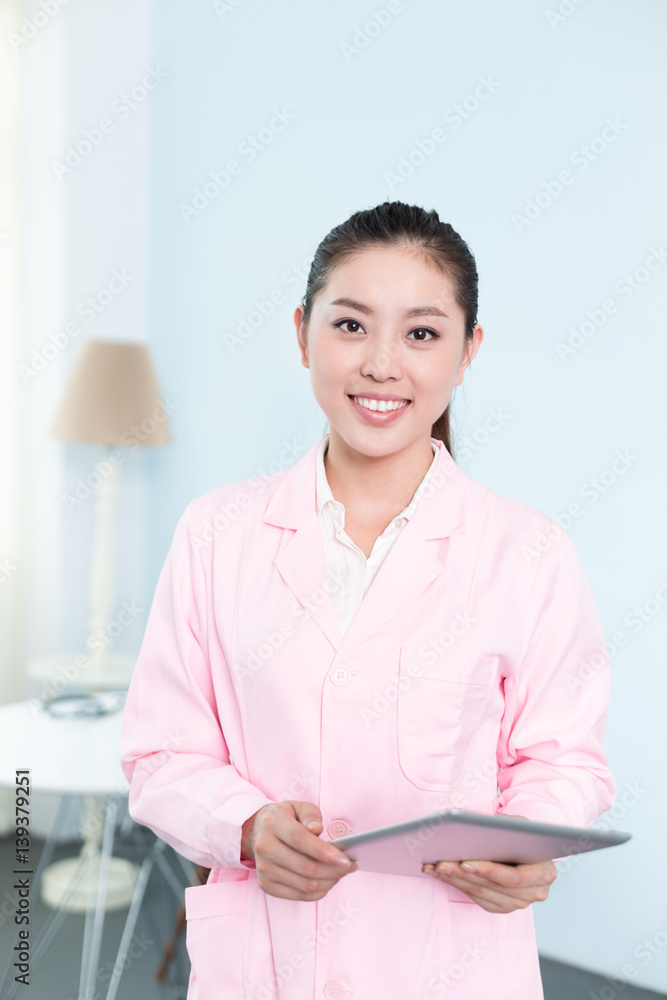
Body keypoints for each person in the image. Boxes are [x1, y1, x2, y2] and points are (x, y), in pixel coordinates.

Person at [120, 200, 616, 1000]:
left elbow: (562, 760)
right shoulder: (215, 533)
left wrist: (524, 841)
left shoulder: (527, 550)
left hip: (446, 964)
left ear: (467, 352)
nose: (382, 364)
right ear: (301, 334)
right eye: (350, 325)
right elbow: (160, 754)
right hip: (264, 958)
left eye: (421, 333)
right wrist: (244, 827)